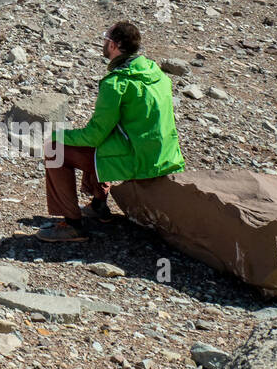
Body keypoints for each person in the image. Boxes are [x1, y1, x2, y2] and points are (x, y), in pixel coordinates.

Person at [36, 20, 185, 242]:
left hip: (138, 159)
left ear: (114, 45)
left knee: (56, 149)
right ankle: (98, 205)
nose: (103, 43)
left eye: (105, 39)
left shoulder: (116, 83)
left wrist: (56, 135)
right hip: (163, 154)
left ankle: (72, 225)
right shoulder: (156, 73)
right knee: (99, 140)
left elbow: (94, 135)